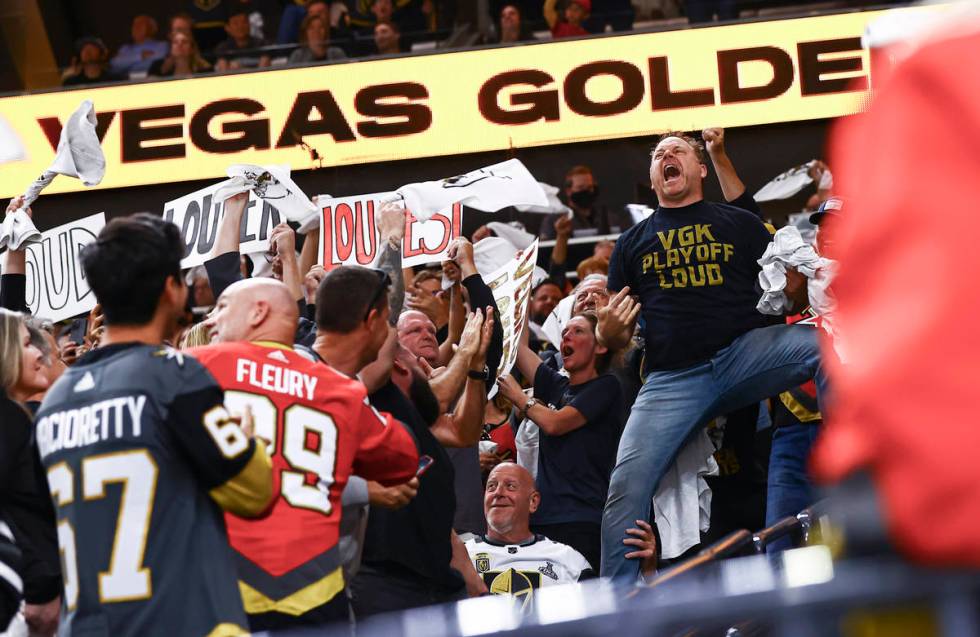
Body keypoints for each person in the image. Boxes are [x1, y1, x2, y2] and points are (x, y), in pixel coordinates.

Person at [597, 130, 825, 581]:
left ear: (700, 169)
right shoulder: (631, 242)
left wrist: (798, 287)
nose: (667, 155)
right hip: (673, 379)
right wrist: (609, 330)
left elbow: (787, 280)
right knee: (625, 487)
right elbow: (610, 323)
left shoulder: (736, 222)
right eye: (659, 154)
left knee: (830, 346)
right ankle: (621, 610)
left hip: (743, 355)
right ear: (654, 177)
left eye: (677, 150)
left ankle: (861, 457)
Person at [33, 213, 275, 634]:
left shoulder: (54, 401)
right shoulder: (173, 377)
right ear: (169, 287)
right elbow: (254, 493)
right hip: (184, 622)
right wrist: (249, 441)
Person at [193, 277, 418, 630]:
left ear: (258, 313)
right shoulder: (341, 388)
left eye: (221, 308)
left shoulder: (193, 368)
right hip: (316, 593)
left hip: (217, 588)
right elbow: (403, 459)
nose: (210, 320)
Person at [497, 311, 623, 571]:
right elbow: (519, 349)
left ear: (600, 345)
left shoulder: (607, 386)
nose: (567, 334)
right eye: (565, 331)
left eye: (578, 331)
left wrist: (520, 398)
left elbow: (556, 424)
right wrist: (522, 286)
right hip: (542, 519)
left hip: (582, 519)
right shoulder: (558, 387)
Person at [466, 463, 655, 606]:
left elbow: (610, 617)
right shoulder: (460, 556)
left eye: (510, 486)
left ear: (533, 502)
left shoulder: (569, 560)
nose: (498, 492)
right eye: (491, 486)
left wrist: (649, 572)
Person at [0, 309, 61, 637]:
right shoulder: (7, 419)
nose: (40, 352)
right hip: (26, 605)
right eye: (27, 344)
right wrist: (41, 587)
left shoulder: (15, 415)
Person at [539, 165, 632, 239]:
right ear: (568, 191)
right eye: (580, 187)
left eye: (589, 187)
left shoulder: (609, 218)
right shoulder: (555, 220)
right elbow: (546, 252)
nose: (586, 191)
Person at [147, 30, 212, 78]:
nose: (180, 44)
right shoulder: (156, 68)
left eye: (184, 42)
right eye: (175, 42)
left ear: (192, 49)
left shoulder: (205, 71)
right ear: (171, 49)